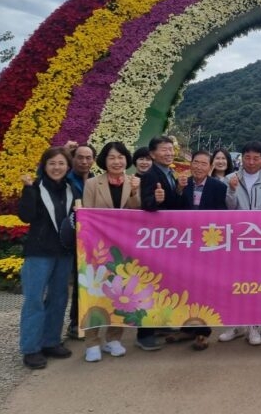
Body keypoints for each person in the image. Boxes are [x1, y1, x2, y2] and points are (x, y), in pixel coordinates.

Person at [18, 146, 79, 369]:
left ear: (68, 167)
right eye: (52, 163)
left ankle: (51, 341)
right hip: (39, 252)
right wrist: (27, 191)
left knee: (59, 297)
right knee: (34, 299)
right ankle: (31, 348)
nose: (57, 167)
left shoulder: (71, 189)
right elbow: (25, 216)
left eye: (61, 163)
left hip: (63, 252)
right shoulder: (35, 187)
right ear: (44, 166)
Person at [81, 142, 141, 362]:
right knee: (96, 293)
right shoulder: (92, 184)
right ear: (104, 161)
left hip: (125, 249)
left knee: (122, 293)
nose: (117, 162)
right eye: (112, 158)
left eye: (121, 157)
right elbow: (86, 216)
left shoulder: (134, 182)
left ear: (127, 159)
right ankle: (92, 342)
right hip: (97, 249)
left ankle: (114, 338)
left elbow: (139, 212)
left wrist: (135, 191)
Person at [166, 150, 227, 351]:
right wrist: (179, 191)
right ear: (190, 164)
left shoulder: (218, 187)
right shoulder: (182, 183)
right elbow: (171, 210)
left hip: (206, 246)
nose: (199, 167)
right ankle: (186, 328)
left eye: (203, 163)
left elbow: (221, 214)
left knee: (203, 290)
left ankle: (202, 333)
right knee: (183, 288)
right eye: (196, 162)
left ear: (210, 167)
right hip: (183, 244)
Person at [219, 140, 261, 345]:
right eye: (247, 157)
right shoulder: (229, 179)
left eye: (256, 158)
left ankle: (254, 327)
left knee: (258, 284)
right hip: (236, 240)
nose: (251, 162)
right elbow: (227, 208)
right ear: (241, 158)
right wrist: (232, 190)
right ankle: (233, 325)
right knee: (234, 283)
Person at [136, 135, 183, 351]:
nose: (169, 153)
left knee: (165, 283)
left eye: (171, 149)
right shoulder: (150, 175)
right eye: (164, 150)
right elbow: (147, 205)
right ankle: (144, 334)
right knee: (150, 285)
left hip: (169, 239)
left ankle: (160, 324)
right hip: (155, 240)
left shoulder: (169, 173)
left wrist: (179, 191)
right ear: (153, 154)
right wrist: (157, 200)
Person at [64, 141, 96, 339]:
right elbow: (44, 174)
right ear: (73, 159)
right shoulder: (65, 179)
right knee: (77, 281)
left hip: (92, 240)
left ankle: (90, 318)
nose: (84, 161)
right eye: (80, 157)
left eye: (88, 158)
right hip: (70, 238)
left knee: (89, 279)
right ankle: (75, 322)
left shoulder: (94, 180)